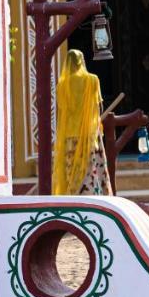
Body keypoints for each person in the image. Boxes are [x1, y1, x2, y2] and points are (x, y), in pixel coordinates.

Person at [53, 49, 112, 195]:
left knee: (72, 170)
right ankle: (94, 195)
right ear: (82, 61)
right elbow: (98, 107)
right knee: (91, 169)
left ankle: (74, 196)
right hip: (89, 133)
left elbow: (62, 110)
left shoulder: (62, 85)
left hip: (69, 135)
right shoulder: (92, 80)